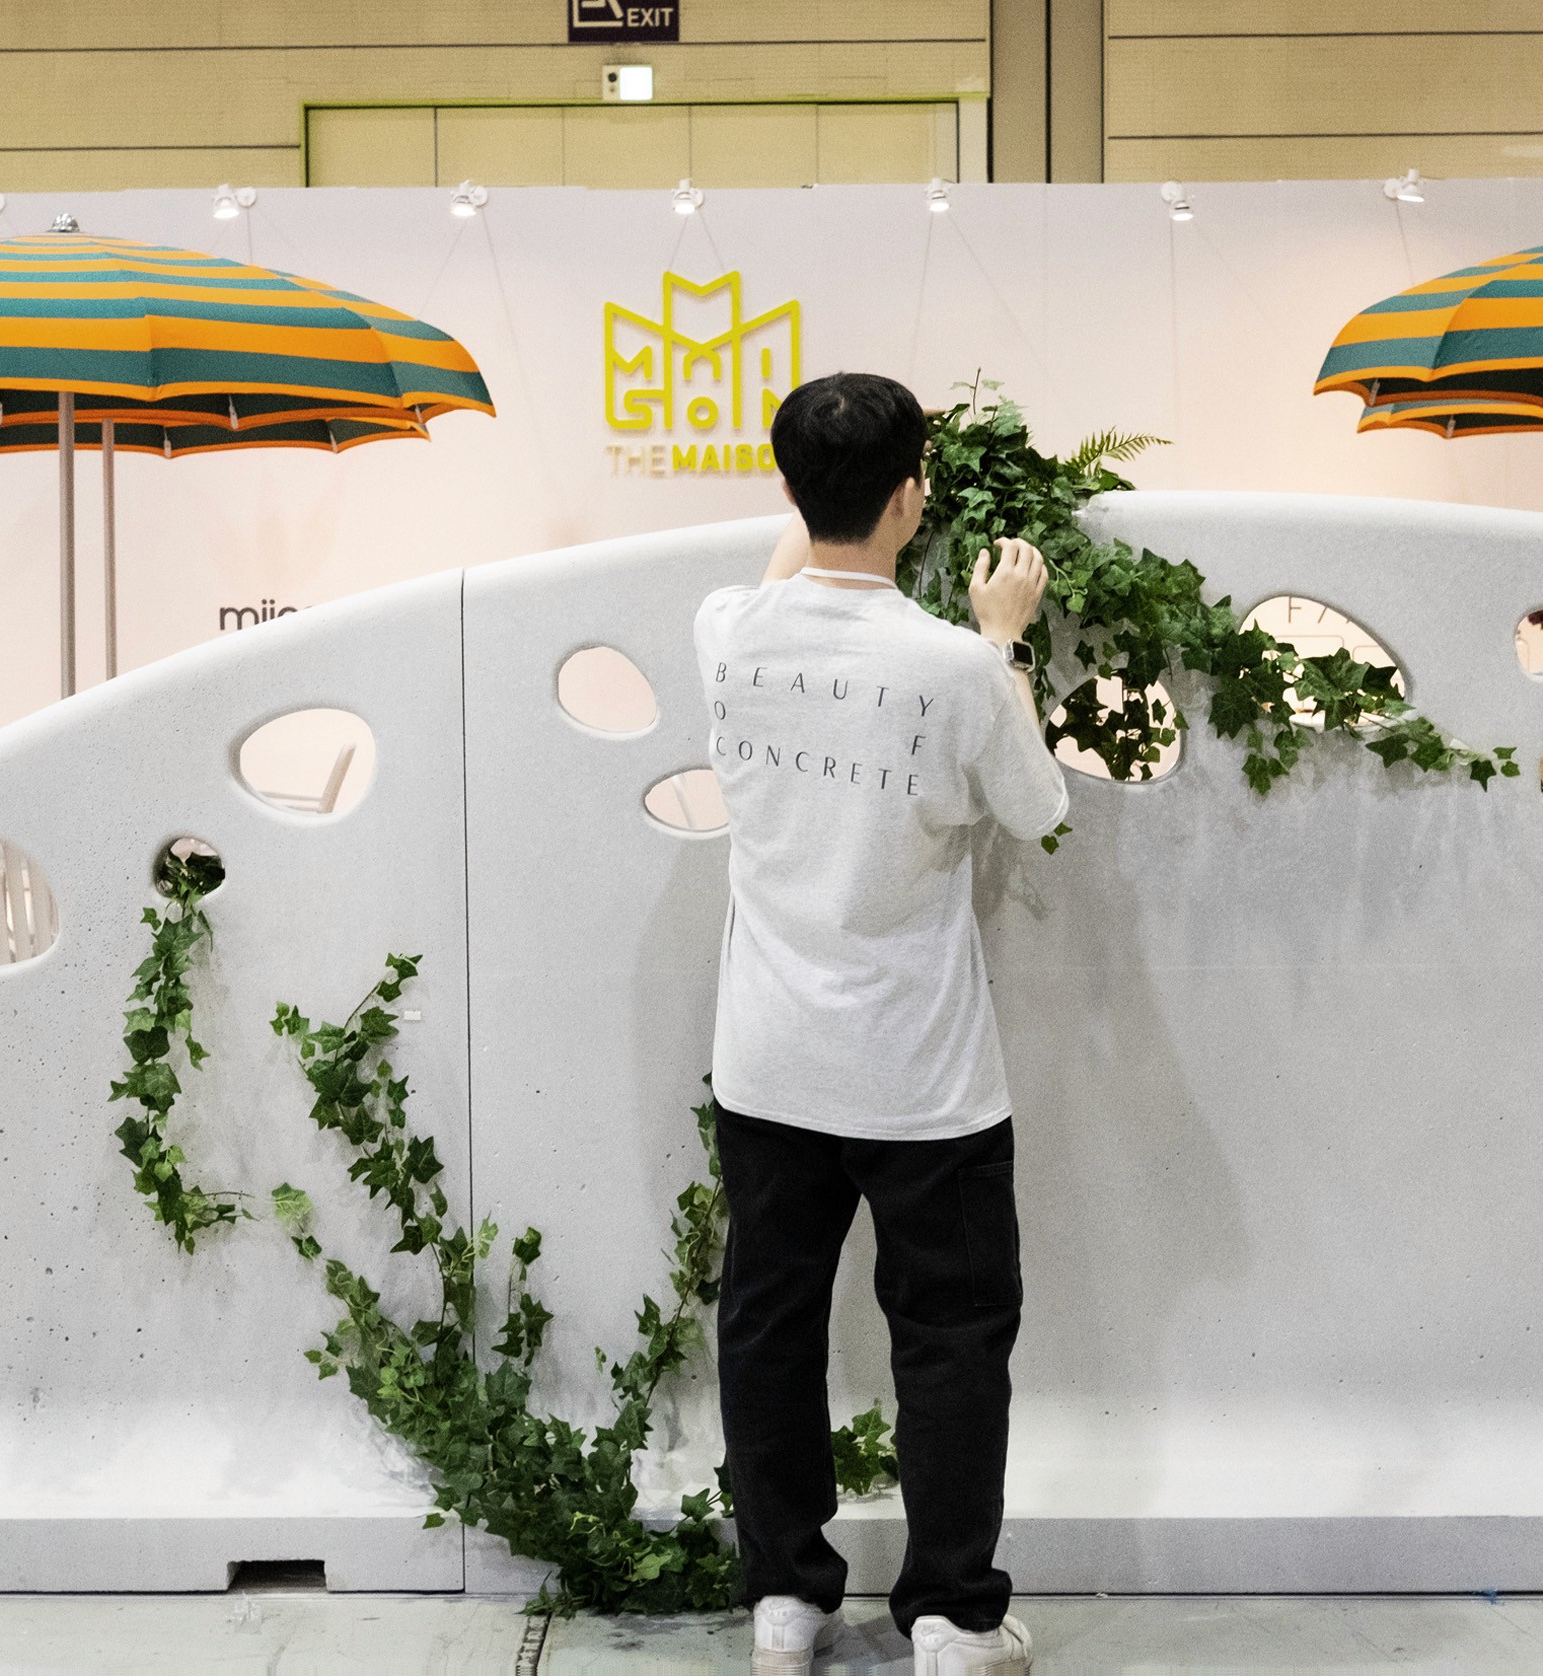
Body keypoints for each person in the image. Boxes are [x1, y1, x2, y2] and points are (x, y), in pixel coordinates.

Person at [692, 372, 1065, 1676]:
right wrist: (1005, 634)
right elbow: (1037, 809)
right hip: (921, 1073)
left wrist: (829, 499)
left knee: (767, 1324)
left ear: (787, 490)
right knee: (950, 1338)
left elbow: (790, 561)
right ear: (916, 495)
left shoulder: (727, 634)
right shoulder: (956, 667)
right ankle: (955, 1619)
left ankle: (785, 1604)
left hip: (770, 1058)